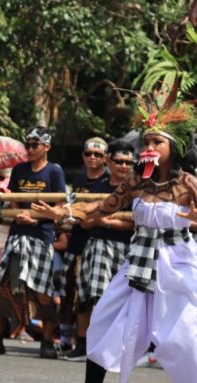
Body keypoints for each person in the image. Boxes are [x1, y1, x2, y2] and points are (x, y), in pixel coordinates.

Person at [32, 96, 197, 383]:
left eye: (156, 142)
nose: (147, 147)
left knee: (183, 335)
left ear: (172, 149)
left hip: (178, 265)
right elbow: (100, 210)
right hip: (138, 263)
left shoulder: (188, 184)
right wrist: (63, 214)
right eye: (145, 141)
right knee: (105, 318)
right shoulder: (137, 182)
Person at [0, 126, 66, 359]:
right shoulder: (19, 170)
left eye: (34, 145)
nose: (29, 149)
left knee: (43, 290)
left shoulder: (54, 172)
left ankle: (47, 342)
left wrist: (35, 218)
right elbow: (13, 199)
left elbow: (60, 207)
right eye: (27, 144)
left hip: (41, 238)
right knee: (5, 285)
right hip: (17, 236)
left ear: (46, 147)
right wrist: (19, 213)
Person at [64, 140, 135, 362]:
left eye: (128, 162)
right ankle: (85, 345)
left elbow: (137, 223)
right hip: (96, 246)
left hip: (126, 249)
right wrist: (106, 221)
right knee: (88, 297)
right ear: (109, 161)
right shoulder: (97, 188)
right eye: (119, 161)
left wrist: (105, 221)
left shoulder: (136, 189)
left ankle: (110, 347)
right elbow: (83, 222)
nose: (123, 166)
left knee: (120, 301)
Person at [60, 138, 109, 352]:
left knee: (96, 297)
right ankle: (75, 341)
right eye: (89, 153)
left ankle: (94, 343)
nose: (92, 158)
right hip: (76, 243)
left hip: (99, 245)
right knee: (71, 293)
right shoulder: (78, 180)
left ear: (105, 158)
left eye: (98, 155)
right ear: (83, 156)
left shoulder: (110, 182)